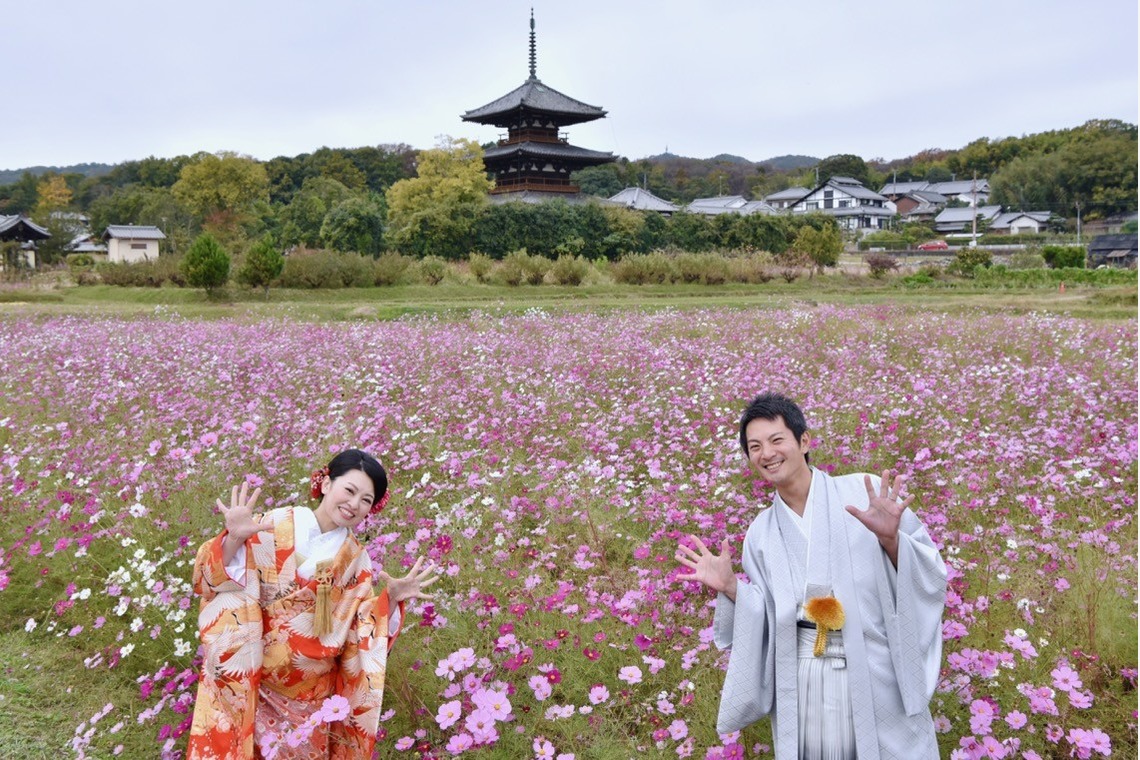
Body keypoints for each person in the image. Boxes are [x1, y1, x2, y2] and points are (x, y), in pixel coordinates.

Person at [676, 393, 946, 760]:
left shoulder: (861, 492)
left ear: (804, 442)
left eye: (776, 440)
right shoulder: (760, 535)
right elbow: (771, 615)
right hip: (815, 689)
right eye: (754, 446)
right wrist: (732, 587)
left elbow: (929, 575)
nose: (767, 453)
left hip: (880, 673)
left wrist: (891, 538)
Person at [188, 448, 438, 759]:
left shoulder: (356, 561)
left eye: (366, 500)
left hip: (308, 703)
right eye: (350, 490)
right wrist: (234, 540)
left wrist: (391, 600)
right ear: (325, 484)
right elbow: (213, 582)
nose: (354, 505)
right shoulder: (273, 525)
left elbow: (359, 627)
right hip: (249, 683)